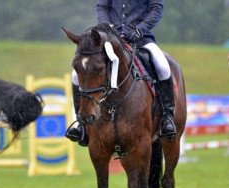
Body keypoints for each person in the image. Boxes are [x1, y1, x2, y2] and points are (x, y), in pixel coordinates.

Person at [65, 0, 176, 146]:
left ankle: (167, 117)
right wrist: (110, 27)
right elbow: (102, 7)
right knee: (75, 75)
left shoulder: (141, 33)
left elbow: (156, 9)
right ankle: (81, 125)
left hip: (141, 39)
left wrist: (139, 30)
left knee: (163, 67)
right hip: (111, 40)